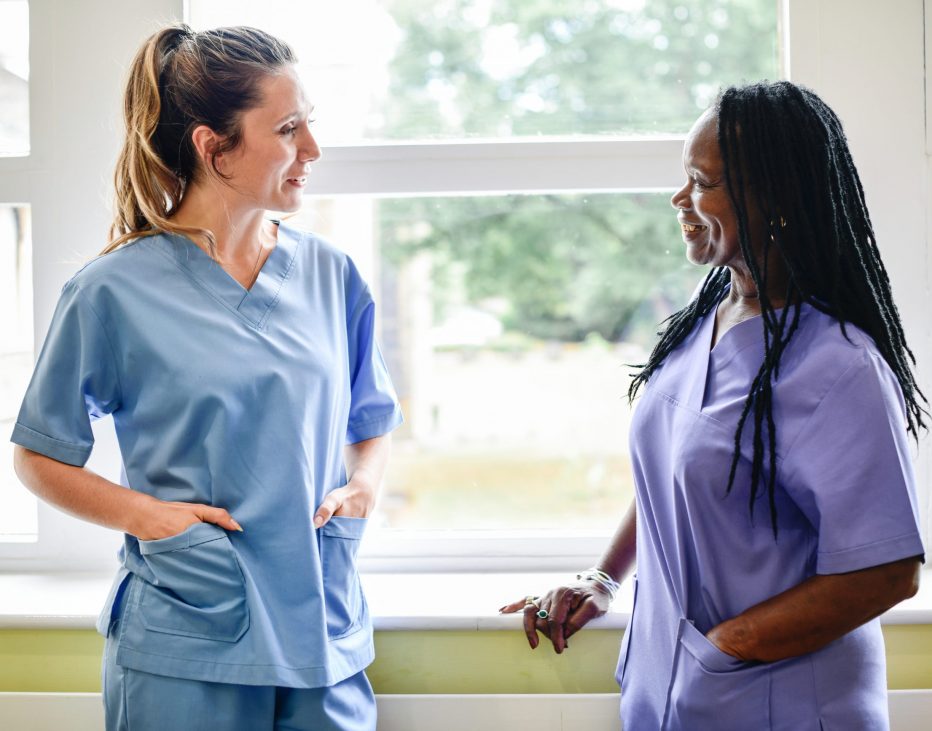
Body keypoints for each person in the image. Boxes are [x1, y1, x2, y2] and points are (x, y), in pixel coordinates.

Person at [11, 24, 402, 731]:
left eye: (309, 124)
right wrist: (149, 518)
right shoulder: (111, 292)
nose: (311, 149)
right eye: (288, 129)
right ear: (213, 147)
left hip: (324, 635)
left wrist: (364, 489)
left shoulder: (331, 275)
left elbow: (371, 422)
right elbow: (38, 455)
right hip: (186, 640)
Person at [502, 81, 925, 730]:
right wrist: (605, 577)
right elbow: (675, 474)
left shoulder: (839, 367)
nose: (680, 199)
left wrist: (726, 647)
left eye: (702, 181)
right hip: (676, 695)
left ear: (775, 198)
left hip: (778, 705)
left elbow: (887, 572)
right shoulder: (712, 316)